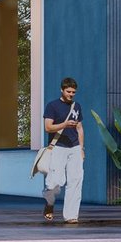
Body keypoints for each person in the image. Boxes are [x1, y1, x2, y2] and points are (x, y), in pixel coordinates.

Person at [41, 77, 84, 224]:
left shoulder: (76, 106)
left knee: (76, 181)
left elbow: (80, 128)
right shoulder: (52, 106)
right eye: (68, 91)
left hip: (75, 147)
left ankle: (71, 216)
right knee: (55, 181)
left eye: (73, 92)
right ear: (62, 90)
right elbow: (47, 127)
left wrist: (82, 148)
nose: (71, 94)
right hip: (58, 147)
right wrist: (64, 124)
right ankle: (49, 205)